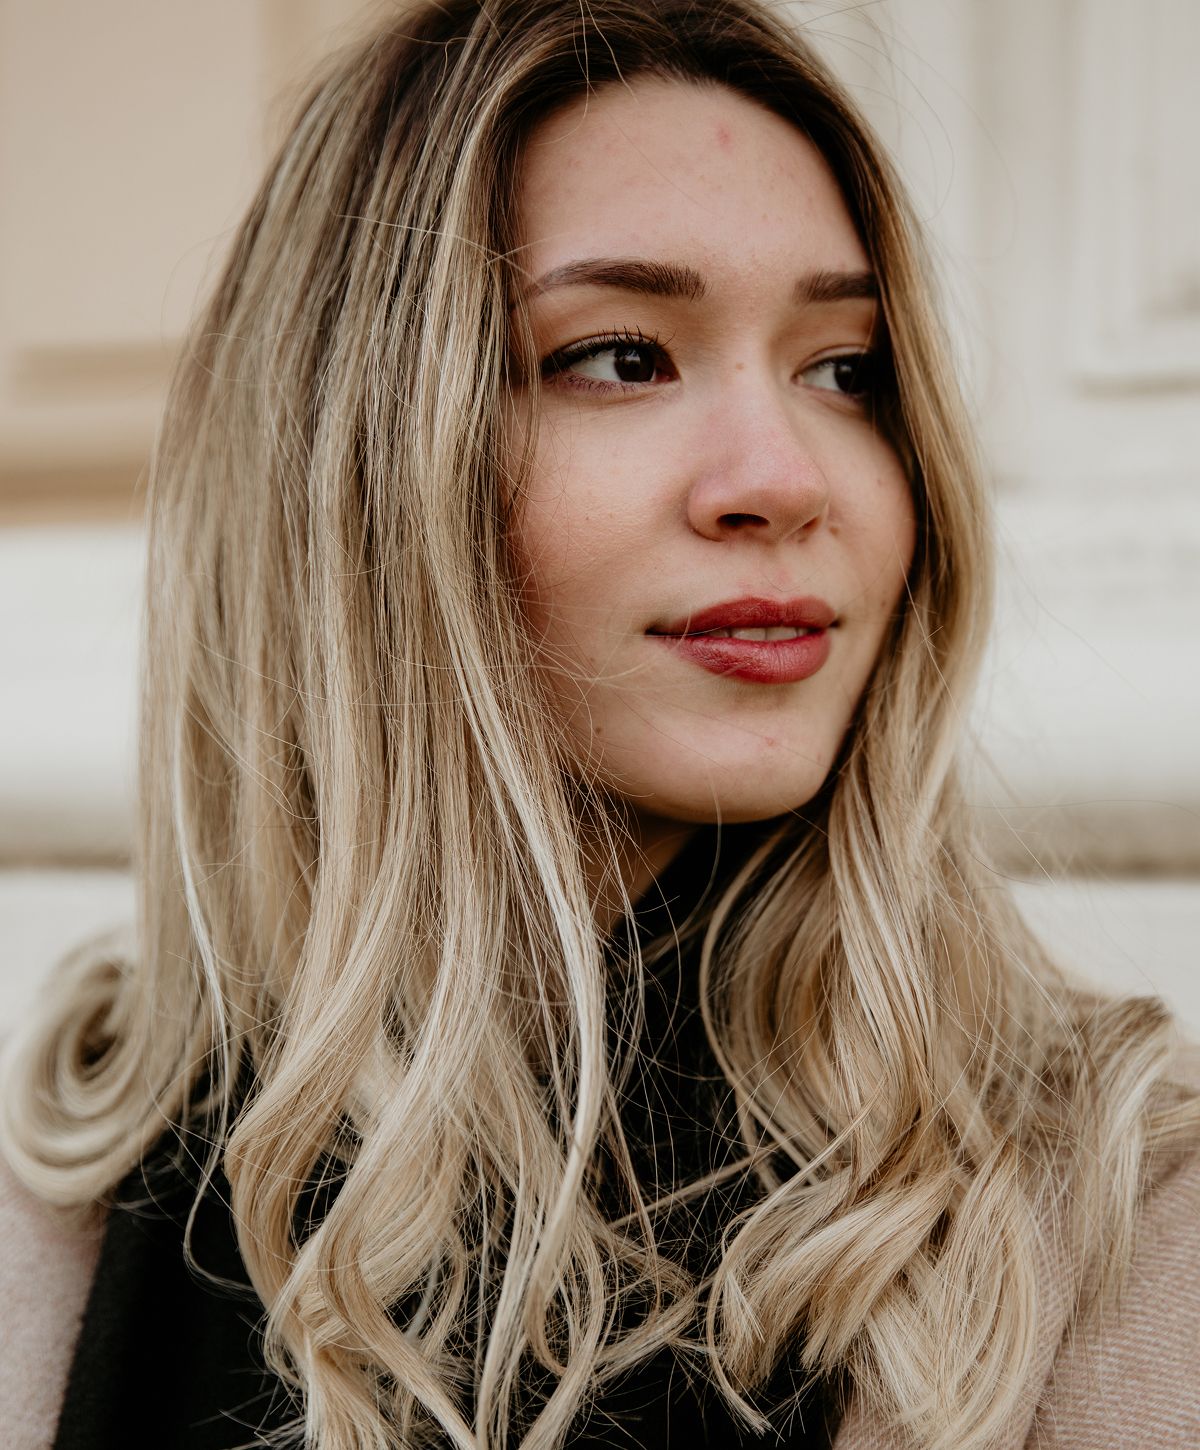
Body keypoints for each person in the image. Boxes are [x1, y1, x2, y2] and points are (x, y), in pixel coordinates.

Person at [2, 0, 1199, 1446]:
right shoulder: (69, 1162)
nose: (785, 477)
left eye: (847, 368)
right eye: (624, 357)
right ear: (352, 464)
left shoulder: (1125, 1220)